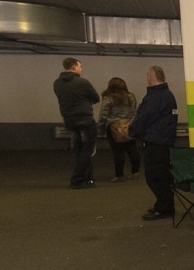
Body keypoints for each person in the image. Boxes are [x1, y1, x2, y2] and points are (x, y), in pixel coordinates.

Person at [128, 65, 178, 221]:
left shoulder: (154, 97)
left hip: (155, 142)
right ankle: (165, 205)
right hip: (165, 141)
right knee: (163, 176)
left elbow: (143, 118)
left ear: (151, 77)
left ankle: (164, 208)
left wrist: (132, 132)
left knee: (154, 177)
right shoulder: (168, 95)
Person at [53, 57, 100, 189]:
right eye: (80, 66)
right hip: (85, 118)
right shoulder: (82, 82)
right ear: (74, 66)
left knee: (79, 148)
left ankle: (88, 178)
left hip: (69, 119)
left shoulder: (57, 83)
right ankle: (78, 179)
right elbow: (96, 98)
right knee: (88, 149)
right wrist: (85, 102)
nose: (81, 69)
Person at [98, 77, 141, 182]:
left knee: (118, 152)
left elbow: (103, 115)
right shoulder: (131, 97)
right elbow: (135, 111)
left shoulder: (108, 98)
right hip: (128, 126)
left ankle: (119, 175)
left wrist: (101, 128)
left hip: (113, 128)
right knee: (132, 149)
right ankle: (135, 172)